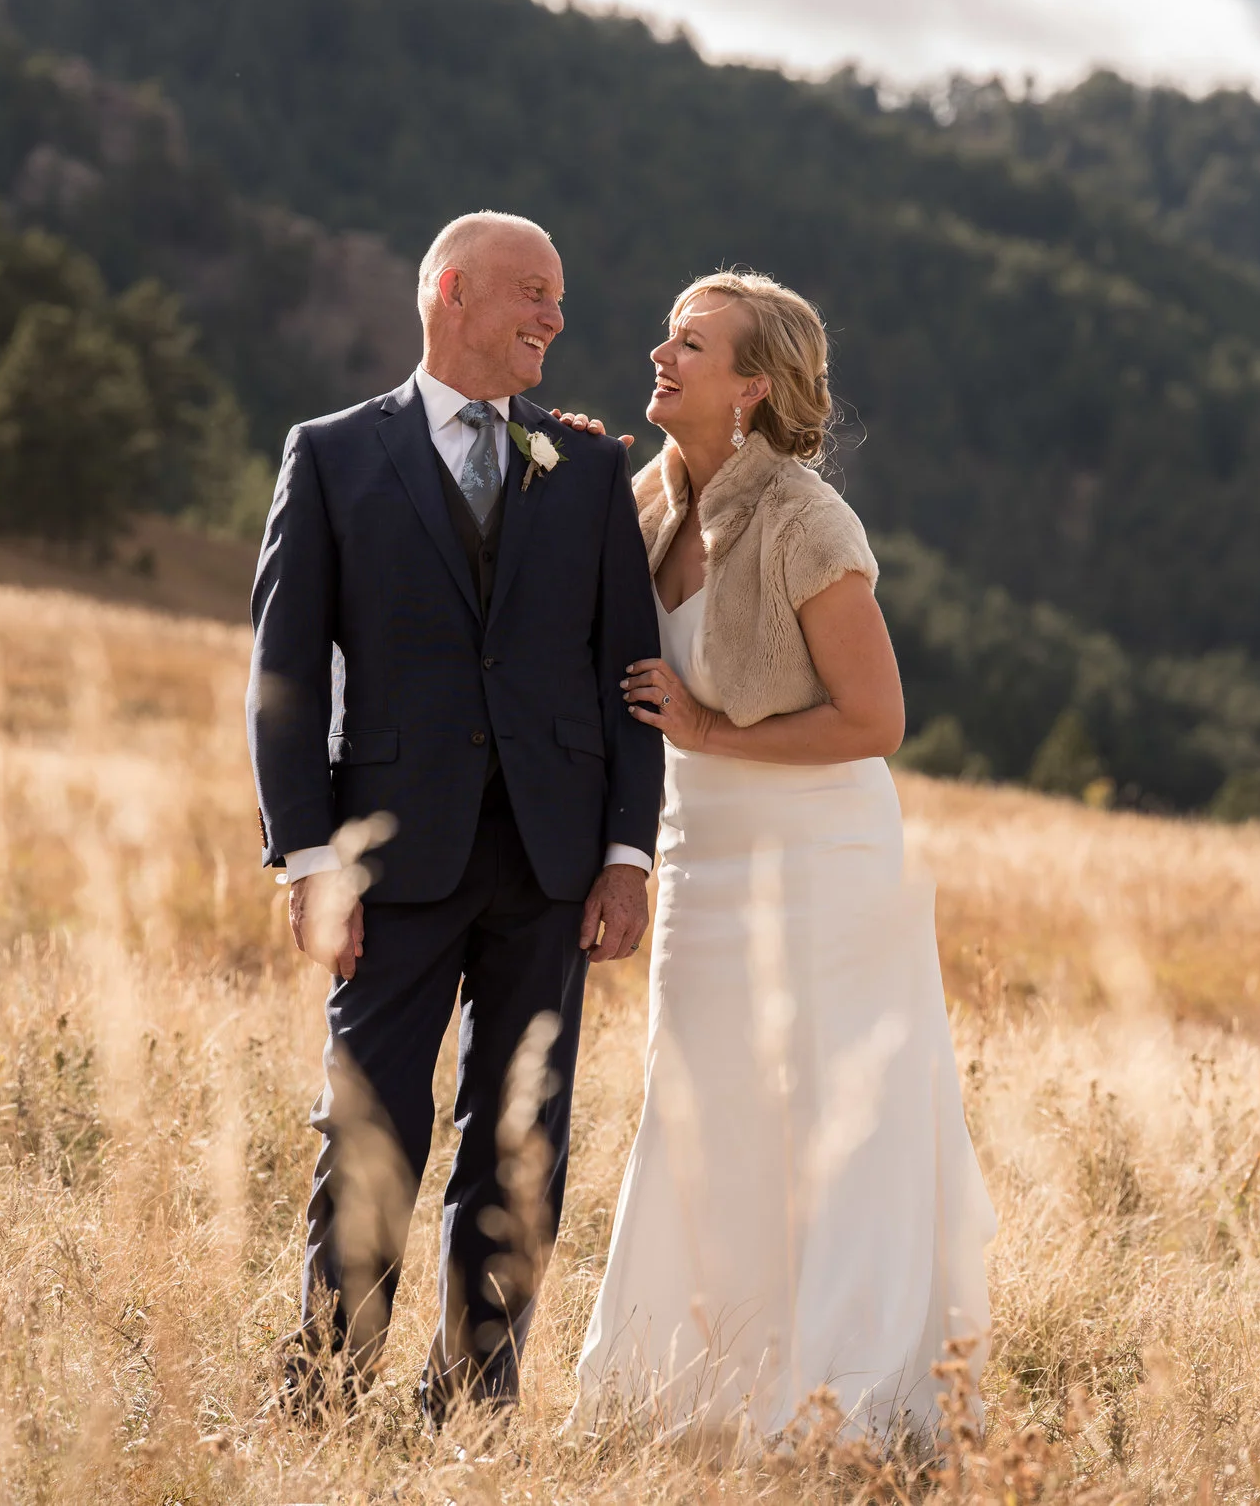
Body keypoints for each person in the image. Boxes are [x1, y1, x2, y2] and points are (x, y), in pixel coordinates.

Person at [563, 271, 998, 1443]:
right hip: (700, 850)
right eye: (667, 333)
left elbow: (876, 719)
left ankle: (830, 1404)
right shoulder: (651, 497)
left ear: (750, 387)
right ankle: (680, 1389)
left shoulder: (808, 521)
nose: (660, 351)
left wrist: (708, 729)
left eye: (691, 342)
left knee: (826, 1115)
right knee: (699, 1104)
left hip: (825, 860)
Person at [246, 212, 665, 1419]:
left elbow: (625, 673)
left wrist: (627, 851)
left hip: (550, 861)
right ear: (450, 295)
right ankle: (325, 1391)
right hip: (389, 860)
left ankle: (475, 1396)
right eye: (532, 292)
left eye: (560, 298)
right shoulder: (330, 455)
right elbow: (282, 672)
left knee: (520, 1134)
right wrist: (309, 858)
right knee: (367, 1124)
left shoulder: (584, 466)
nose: (555, 317)